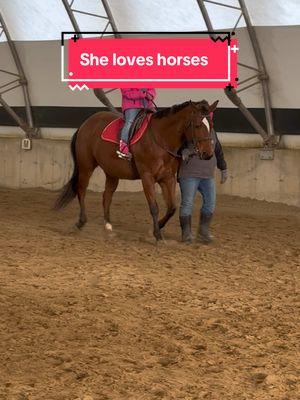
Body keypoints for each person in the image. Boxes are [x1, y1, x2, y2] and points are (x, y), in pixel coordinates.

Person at [178, 120, 228, 244]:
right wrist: (183, 150)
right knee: (187, 203)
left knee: (210, 203)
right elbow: (177, 145)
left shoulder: (212, 132)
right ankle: (186, 234)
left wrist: (223, 167)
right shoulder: (190, 130)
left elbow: (218, 150)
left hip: (208, 175)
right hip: (190, 174)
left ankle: (203, 233)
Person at [117, 88, 156, 160]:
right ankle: (123, 147)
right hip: (131, 106)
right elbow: (126, 93)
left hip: (148, 106)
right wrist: (141, 94)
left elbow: (152, 90)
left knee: (157, 120)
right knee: (130, 122)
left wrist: (149, 95)